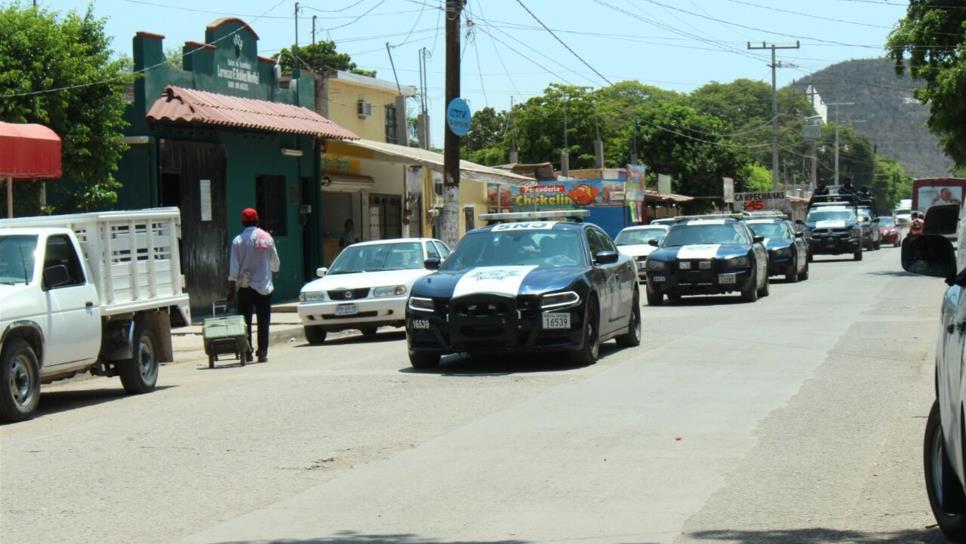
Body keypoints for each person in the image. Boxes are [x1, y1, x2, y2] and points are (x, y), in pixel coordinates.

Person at [227, 208, 280, 363]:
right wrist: (272, 269)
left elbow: (233, 269)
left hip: (245, 287)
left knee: (245, 321)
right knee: (264, 321)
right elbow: (275, 262)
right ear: (257, 221)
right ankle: (262, 352)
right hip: (264, 287)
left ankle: (247, 352)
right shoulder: (267, 237)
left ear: (243, 222)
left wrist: (231, 291)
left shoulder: (237, 241)